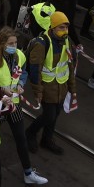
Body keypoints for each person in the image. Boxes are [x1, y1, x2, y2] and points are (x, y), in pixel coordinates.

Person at [0, 28, 49, 186]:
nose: (14, 46)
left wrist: (20, 84)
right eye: (11, 43)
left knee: (21, 138)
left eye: (16, 42)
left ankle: (28, 172)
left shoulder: (19, 55)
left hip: (13, 105)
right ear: (2, 43)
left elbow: (23, 72)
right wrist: (2, 90)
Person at [25, 10, 77, 153]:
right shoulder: (42, 44)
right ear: (52, 27)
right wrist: (38, 91)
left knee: (55, 116)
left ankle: (47, 139)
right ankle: (30, 132)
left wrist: (72, 87)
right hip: (47, 88)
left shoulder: (66, 40)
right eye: (61, 27)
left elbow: (69, 65)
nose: (64, 30)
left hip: (61, 86)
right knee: (49, 115)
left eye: (66, 27)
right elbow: (35, 69)